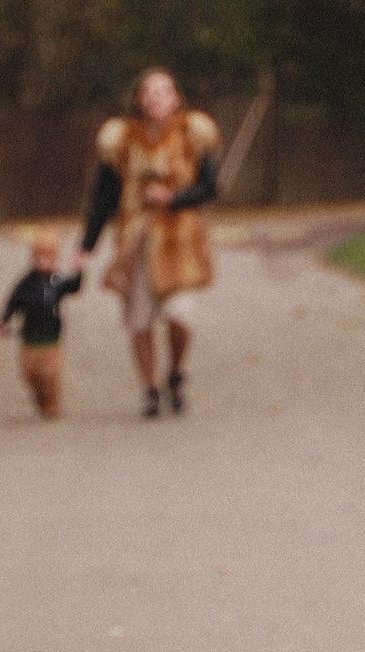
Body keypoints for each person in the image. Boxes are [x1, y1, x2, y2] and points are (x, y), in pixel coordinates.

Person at [78, 67, 220, 417]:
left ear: (175, 99)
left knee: (179, 316)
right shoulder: (122, 141)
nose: (155, 96)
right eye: (148, 91)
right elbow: (104, 196)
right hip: (135, 241)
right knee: (139, 321)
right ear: (139, 99)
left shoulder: (191, 135)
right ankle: (151, 388)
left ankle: (174, 372)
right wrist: (87, 244)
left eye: (163, 90)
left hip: (178, 243)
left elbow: (210, 188)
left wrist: (172, 198)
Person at [0, 231, 83, 418]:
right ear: (33, 258)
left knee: (51, 374)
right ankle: (40, 397)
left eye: (49, 258)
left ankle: (52, 404)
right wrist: (2, 321)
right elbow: (13, 302)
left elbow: (73, 287)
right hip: (30, 337)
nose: (44, 262)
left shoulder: (57, 281)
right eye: (40, 257)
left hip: (51, 339)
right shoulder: (26, 283)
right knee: (30, 374)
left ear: (55, 259)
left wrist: (78, 271)